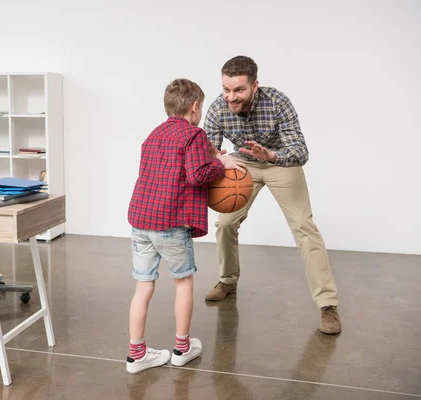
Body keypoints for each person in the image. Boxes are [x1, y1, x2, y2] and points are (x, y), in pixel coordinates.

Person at [203, 55, 342, 335]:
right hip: (243, 166)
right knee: (225, 223)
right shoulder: (219, 108)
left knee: (304, 227)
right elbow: (209, 151)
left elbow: (301, 151)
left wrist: (270, 154)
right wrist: (219, 158)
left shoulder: (277, 102)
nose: (231, 97)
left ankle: (328, 304)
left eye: (239, 90)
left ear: (255, 85)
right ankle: (228, 281)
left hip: (280, 162)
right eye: (226, 89)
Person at [125, 78, 245, 373]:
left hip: (141, 221)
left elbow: (169, 166)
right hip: (169, 223)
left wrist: (210, 153)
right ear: (195, 107)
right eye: (201, 107)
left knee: (143, 287)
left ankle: (136, 355)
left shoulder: (153, 135)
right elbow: (196, 175)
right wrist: (222, 165)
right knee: (183, 283)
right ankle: (182, 347)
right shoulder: (193, 135)